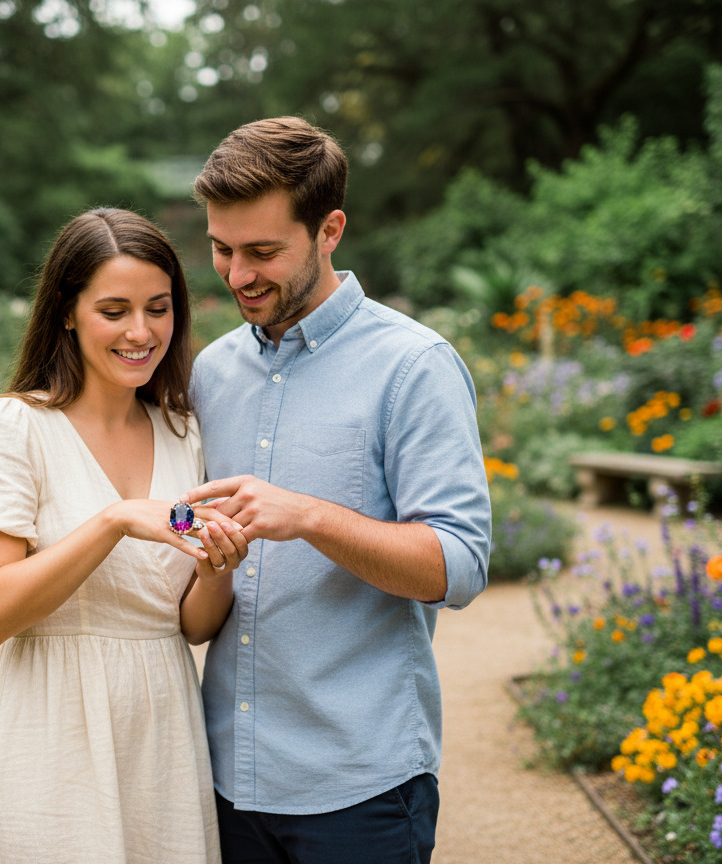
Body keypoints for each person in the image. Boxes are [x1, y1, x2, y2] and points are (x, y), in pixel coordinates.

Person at [182, 117, 492, 863]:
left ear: (330, 231)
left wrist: (311, 516)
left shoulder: (415, 367)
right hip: (225, 774)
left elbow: (460, 566)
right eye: (223, 249)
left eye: (263, 252)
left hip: (362, 785)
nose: (237, 274)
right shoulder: (209, 373)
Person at [0, 207, 247, 864]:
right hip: (50, 733)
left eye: (158, 309)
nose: (141, 332)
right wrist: (112, 522)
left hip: (162, 731)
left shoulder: (183, 433)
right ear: (67, 312)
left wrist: (217, 566)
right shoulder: (9, 428)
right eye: (114, 310)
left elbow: (189, 624)